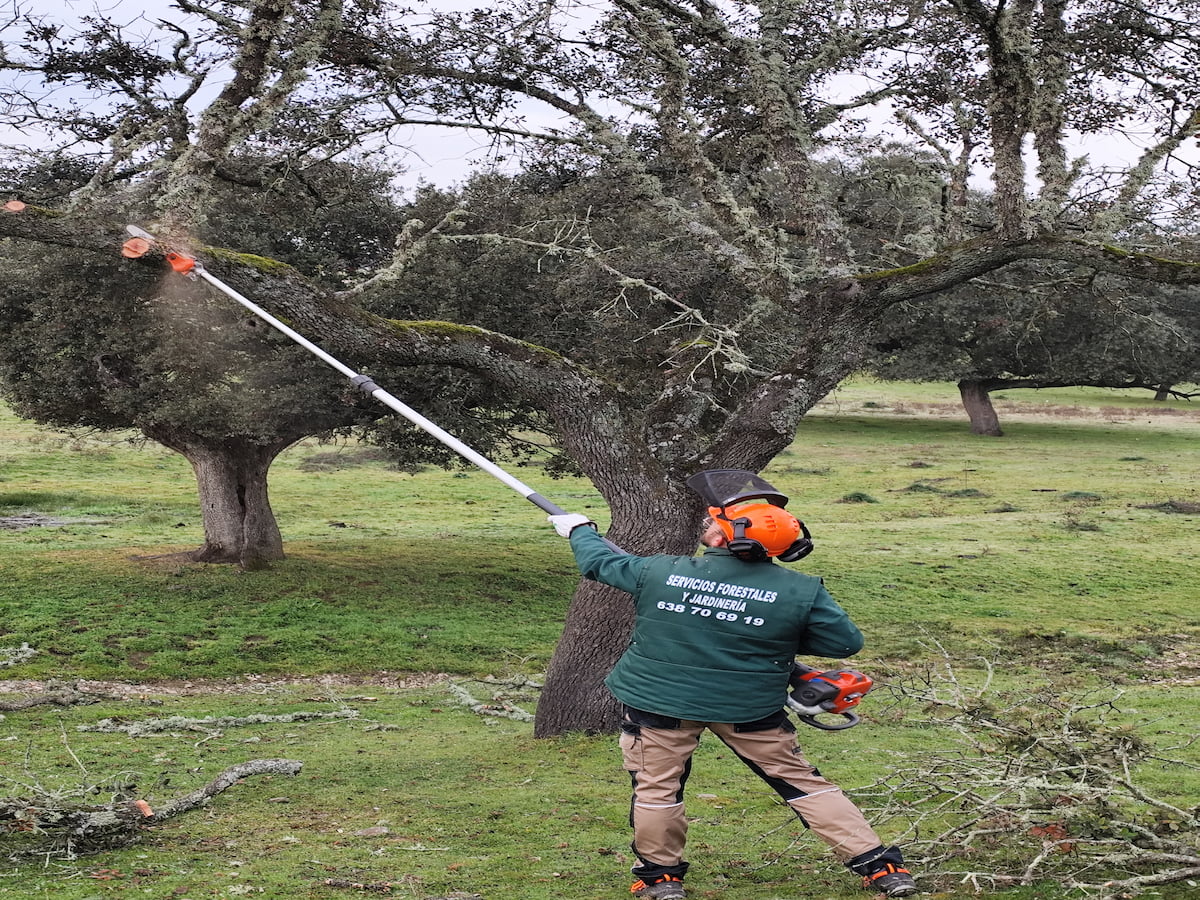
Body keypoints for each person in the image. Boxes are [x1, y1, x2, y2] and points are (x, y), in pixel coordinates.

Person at [548, 475, 918, 900]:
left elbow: (599, 563)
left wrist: (579, 531)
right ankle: (882, 867)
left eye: (715, 521)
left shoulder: (662, 570)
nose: (708, 521)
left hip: (660, 702)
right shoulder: (800, 590)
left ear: (727, 538)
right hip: (750, 708)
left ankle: (660, 879)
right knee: (802, 783)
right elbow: (844, 643)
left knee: (656, 787)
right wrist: (775, 628)